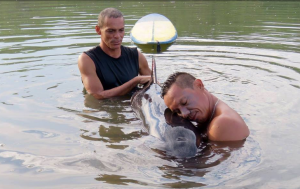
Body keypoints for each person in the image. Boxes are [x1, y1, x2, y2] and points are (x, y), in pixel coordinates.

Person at [78, 8, 151, 100]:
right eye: (111, 31)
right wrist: (136, 81)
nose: (117, 36)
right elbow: (97, 95)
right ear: (98, 30)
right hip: (104, 111)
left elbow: (153, 84)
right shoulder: (87, 59)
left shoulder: (135, 55)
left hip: (133, 108)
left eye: (121, 30)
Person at [161, 72, 250, 142]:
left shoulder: (221, 123)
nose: (184, 114)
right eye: (177, 111)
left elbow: (204, 164)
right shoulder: (210, 113)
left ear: (199, 85)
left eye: (184, 103)